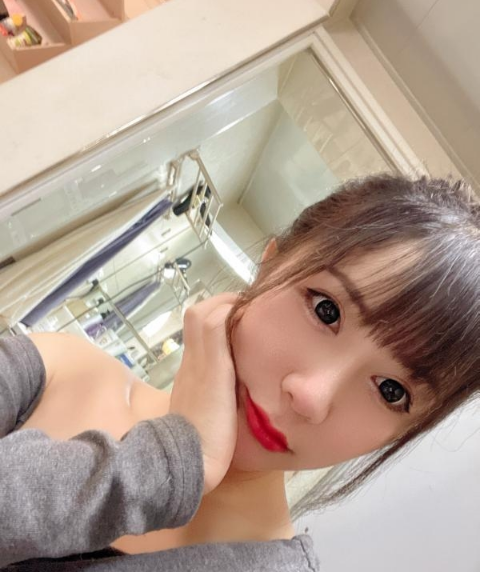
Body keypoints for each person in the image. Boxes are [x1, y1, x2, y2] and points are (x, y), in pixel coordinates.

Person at [3, 173, 480, 570]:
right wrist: (169, 462)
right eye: (326, 310)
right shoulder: (59, 368)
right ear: (270, 265)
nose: (310, 396)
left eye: (392, 390)